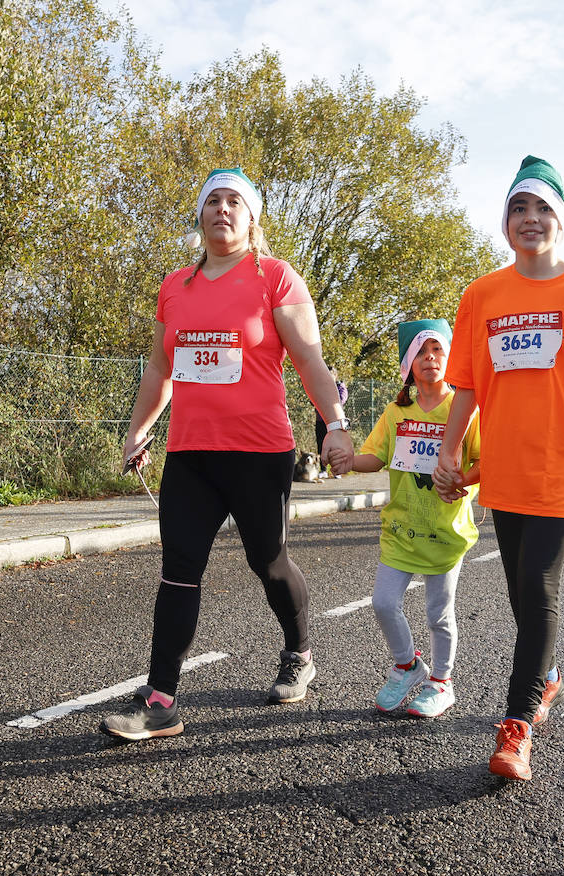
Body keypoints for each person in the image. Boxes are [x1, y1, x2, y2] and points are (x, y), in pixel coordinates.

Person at [100, 168, 353, 742]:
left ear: (252, 217)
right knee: (178, 572)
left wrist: (334, 426)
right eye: (212, 200)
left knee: (269, 562)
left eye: (234, 201)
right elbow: (162, 369)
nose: (222, 209)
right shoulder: (175, 287)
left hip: (260, 452)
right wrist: (139, 430)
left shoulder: (276, 279)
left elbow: (311, 360)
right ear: (200, 214)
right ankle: (161, 698)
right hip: (190, 453)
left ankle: (298, 651)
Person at [433, 155, 564, 782]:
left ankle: (516, 726)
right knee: (518, 594)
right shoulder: (482, 294)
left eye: (543, 209)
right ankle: (547, 677)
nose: (531, 219)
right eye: (519, 209)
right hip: (503, 468)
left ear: (561, 221)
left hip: (562, 467)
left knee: (537, 588)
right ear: (505, 222)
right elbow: (468, 386)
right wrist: (452, 451)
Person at [349, 320, 481, 718]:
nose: (431, 359)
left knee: (439, 614)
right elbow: (376, 455)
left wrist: (461, 482)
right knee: (384, 603)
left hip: (445, 531)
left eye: (439, 351)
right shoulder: (396, 411)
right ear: (409, 363)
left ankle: (441, 682)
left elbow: (486, 462)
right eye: (422, 353)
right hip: (401, 529)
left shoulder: (465, 408)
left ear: (450, 357)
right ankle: (407, 666)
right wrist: (346, 461)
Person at [314, 368, 350, 475]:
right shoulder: (318, 386)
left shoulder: (340, 387)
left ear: (335, 375)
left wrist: (324, 401)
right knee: (321, 445)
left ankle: (337, 471)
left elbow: (340, 400)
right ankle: (323, 470)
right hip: (321, 421)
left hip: (336, 422)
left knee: (337, 447)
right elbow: (314, 400)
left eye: (330, 375)